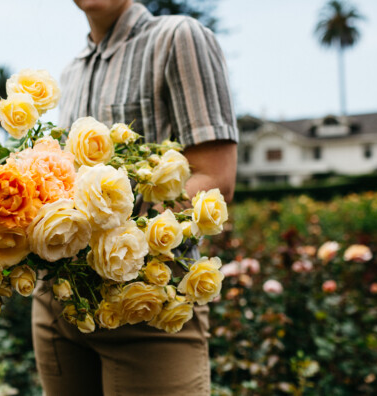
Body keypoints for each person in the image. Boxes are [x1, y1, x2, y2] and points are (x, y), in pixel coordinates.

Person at [32, 1, 238, 394]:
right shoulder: (72, 71)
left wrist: (117, 242)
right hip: (59, 308)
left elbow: (215, 178)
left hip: (150, 308)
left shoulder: (179, 38)